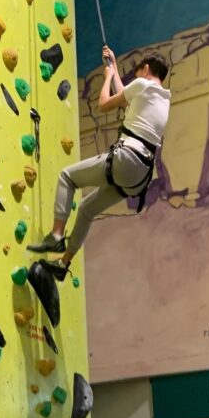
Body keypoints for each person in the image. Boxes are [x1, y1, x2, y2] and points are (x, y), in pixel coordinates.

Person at [27, 44, 170, 280]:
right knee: (86, 210)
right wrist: (113, 67)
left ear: (145, 69)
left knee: (67, 176)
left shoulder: (143, 84)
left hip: (127, 158)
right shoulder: (162, 99)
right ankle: (63, 265)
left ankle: (56, 235)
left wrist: (106, 78)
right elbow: (124, 99)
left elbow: (105, 104)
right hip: (140, 177)